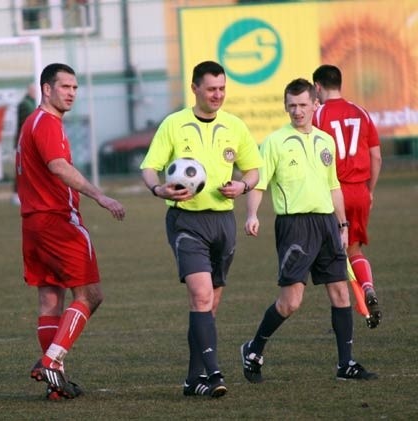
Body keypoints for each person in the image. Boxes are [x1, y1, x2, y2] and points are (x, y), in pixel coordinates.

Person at [241, 78, 377, 384]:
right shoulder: (275, 142)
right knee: (291, 302)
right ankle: (253, 348)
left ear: (316, 105)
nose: (297, 111)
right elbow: (260, 183)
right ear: (285, 106)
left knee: (341, 292)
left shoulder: (325, 141)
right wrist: (252, 214)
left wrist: (343, 225)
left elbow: (333, 187)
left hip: (327, 223)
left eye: (303, 105)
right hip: (295, 227)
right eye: (291, 105)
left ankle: (346, 364)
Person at [140, 60, 262, 398]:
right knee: (201, 296)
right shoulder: (174, 124)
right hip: (186, 221)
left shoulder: (235, 126)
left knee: (209, 306)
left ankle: (193, 380)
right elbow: (150, 167)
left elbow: (253, 169)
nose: (218, 95)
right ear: (194, 88)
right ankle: (214, 372)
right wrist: (157, 189)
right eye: (211, 89)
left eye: (222, 88)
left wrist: (243, 187)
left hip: (223, 222)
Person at [16, 63, 126, 400]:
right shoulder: (46, 122)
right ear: (46, 89)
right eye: (64, 86)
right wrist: (99, 195)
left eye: (75, 87)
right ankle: (52, 359)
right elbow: (58, 167)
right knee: (90, 296)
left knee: (51, 298)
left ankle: (55, 384)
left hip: (33, 224)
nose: (71, 93)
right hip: (57, 222)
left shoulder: (32, 122)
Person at [312, 64, 382, 328]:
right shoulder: (361, 113)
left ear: (317, 87)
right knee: (353, 248)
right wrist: (370, 190)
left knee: (332, 255)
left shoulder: (318, 116)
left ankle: (350, 311)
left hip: (334, 192)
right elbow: (376, 156)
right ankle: (367, 290)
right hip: (360, 190)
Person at [12, 83, 37, 206]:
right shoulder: (25, 104)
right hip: (23, 142)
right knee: (22, 169)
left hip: (31, 143)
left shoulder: (32, 103)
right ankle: (17, 195)